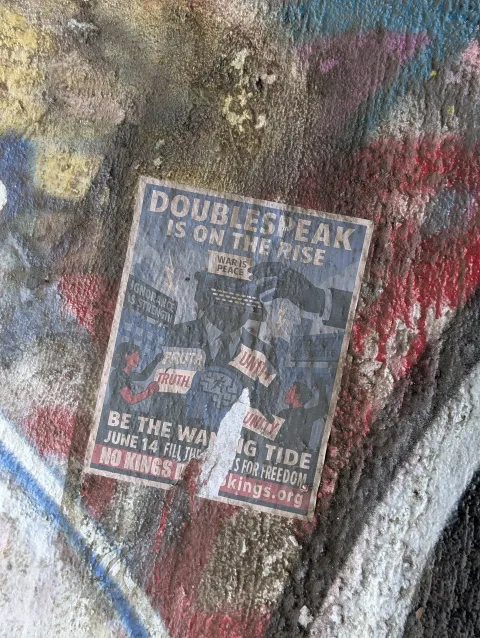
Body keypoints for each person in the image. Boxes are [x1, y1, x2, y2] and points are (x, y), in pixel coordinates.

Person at [108, 342, 163, 412]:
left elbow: (143, 376)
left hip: (120, 411)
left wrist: (156, 361)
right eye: (137, 355)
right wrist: (149, 391)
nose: (139, 358)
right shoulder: (118, 374)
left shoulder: (126, 374)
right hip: (114, 411)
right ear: (126, 356)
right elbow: (130, 399)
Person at [275, 381, 326, 451]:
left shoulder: (307, 414)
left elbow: (323, 407)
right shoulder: (283, 413)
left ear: (298, 396)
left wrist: (321, 385)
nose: (287, 393)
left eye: (291, 390)